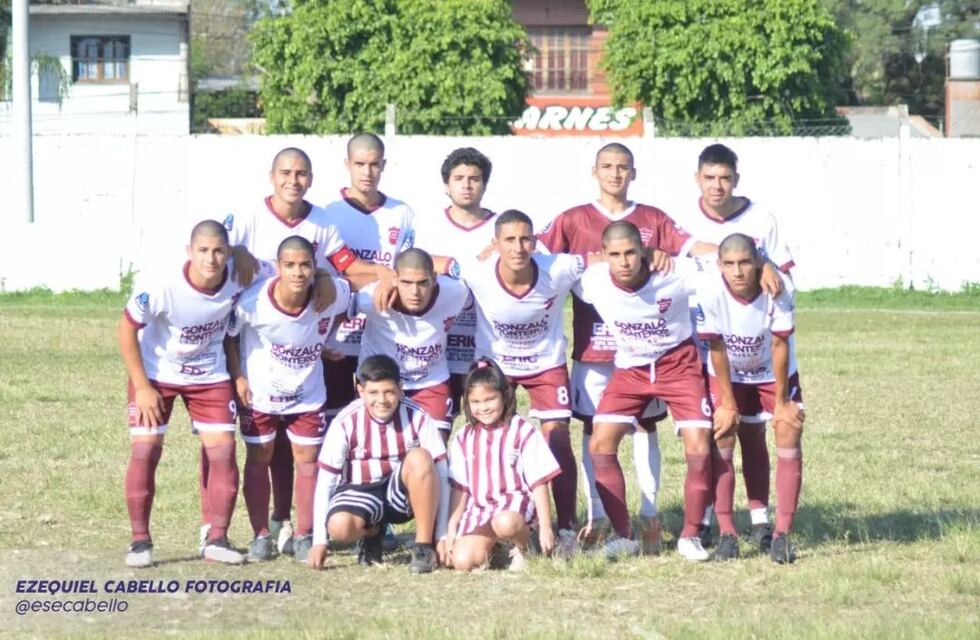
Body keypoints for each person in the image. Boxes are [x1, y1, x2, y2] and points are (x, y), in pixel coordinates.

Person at [538, 142, 715, 553]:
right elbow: (539, 259)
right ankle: (603, 520)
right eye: (607, 166)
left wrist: (747, 259)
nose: (615, 174)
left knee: (652, 431)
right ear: (594, 170)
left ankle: (657, 519)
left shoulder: (653, 221)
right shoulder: (573, 222)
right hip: (602, 354)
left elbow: (699, 255)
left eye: (623, 167)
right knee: (595, 435)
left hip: (667, 359)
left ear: (633, 172)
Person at [222, 146, 386, 556]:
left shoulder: (323, 222)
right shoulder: (245, 220)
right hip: (255, 358)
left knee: (302, 453)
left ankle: (299, 530)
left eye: (301, 174)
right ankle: (241, 527)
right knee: (249, 448)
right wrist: (235, 250)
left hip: (302, 368)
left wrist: (382, 277)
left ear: (311, 179)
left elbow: (346, 273)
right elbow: (210, 251)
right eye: (285, 172)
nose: (292, 181)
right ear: (271, 175)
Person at [118, 220, 260, 567]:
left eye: (219, 251)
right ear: (189, 251)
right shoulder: (162, 285)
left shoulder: (239, 278)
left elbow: (293, 266)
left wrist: (237, 373)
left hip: (209, 375)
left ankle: (217, 538)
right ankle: (139, 542)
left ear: (228, 252)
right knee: (146, 450)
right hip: (156, 374)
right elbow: (125, 330)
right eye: (203, 250)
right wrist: (143, 386)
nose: (211, 259)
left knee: (224, 451)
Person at [676, 143, 794, 550]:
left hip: (750, 338)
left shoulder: (763, 218)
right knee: (712, 433)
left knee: (753, 433)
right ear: (697, 179)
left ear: (736, 179)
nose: (717, 186)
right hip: (699, 342)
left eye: (725, 178)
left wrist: (767, 264)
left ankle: (760, 519)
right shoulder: (682, 221)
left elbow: (780, 275)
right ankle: (711, 519)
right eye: (709, 178)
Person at [575, 221, 714, 560]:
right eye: (615, 255)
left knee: (699, 448)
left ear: (643, 251)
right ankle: (624, 535)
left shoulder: (674, 273)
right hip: (630, 370)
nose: (624, 262)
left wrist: (766, 266)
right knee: (600, 444)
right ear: (603, 255)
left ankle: (690, 536)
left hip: (677, 364)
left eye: (631, 253)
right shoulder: (592, 281)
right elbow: (542, 264)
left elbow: (720, 263)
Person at [455, 209, 583, 556]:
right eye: (509, 240)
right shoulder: (476, 270)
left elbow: (597, 259)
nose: (518, 247)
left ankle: (566, 527)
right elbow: (436, 266)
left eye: (525, 238)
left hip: (546, 364)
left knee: (556, 438)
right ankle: (492, 520)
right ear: (494, 243)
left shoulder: (558, 268)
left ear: (535, 240)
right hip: (498, 366)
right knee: (490, 440)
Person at [224, 236, 352, 563]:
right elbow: (230, 335)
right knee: (259, 457)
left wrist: (322, 340)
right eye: (290, 265)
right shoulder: (253, 303)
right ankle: (261, 535)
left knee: (307, 461)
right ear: (278, 267)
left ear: (315, 267)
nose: (298, 272)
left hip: (307, 395)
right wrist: (238, 375)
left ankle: (305, 534)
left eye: (306, 265)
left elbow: (349, 301)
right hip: (261, 395)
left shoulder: (330, 294)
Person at [696, 233, 805, 563]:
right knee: (723, 434)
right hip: (729, 373)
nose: (738, 271)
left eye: (744, 262)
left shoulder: (778, 286)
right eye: (729, 264)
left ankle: (781, 534)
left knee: (787, 429)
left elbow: (779, 344)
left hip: (773, 373)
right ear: (719, 266)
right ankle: (727, 533)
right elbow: (716, 348)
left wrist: (783, 401)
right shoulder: (710, 290)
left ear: (758, 261)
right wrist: (727, 403)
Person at [308, 355, 450, 574]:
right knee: (340, 527)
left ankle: (423, 547)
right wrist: (319, 541)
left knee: (421, 457)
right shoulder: (345, 421)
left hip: (401, 496)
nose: (382, 400)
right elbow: (326, 481)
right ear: (360, 390)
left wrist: (442, 534)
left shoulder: (418, 416)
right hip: (360, 491)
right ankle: (372, 533)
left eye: (389, 392)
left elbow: (441, 473)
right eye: (373, 393)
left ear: (401, 389)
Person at [320, 134, 416, 423]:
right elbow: (334, 271)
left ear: (383, 165)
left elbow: (406, 270)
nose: (367, 172)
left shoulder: (401, 213)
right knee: (335, 419)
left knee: (382, 417)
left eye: (374, 164)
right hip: (337, 335)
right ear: (347, 164)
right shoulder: (328, 214)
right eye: (360, 164)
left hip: (383, 332)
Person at [445, 359, 560, 571]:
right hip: (480, 510)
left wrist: (546, 526)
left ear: (504, 396)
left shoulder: (523, 430)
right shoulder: (464, 437)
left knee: (505, 523)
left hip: (514, 509)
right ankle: (497, 549)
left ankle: (526, 546)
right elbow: (460, 488)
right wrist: (451, 528)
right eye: (476, 402)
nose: (484, 408)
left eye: (490, 399)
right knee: (462, 562)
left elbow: (539, 482)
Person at [413, 147, 498, 419]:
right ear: (446, 185)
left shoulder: (501, 228)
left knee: (486, 422)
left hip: (486, 339)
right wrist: (449, 263)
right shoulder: (427, 225)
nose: (467, 185)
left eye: (474, 178)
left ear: (484, 185)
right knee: (437, 426)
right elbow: (407, 264)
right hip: (438, 342)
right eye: (459, 178)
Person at [354, 248, 469, 437]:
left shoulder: (456, 291)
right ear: (394, 279)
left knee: (436, 452)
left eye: (423, 283)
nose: (415, 292)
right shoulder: (370, 297)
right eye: (406, 283)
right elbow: (334, 297)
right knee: (378, 449)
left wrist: (447, 261)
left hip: (430, 381)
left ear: (434, 277)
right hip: (382, 383)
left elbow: (475, 271)